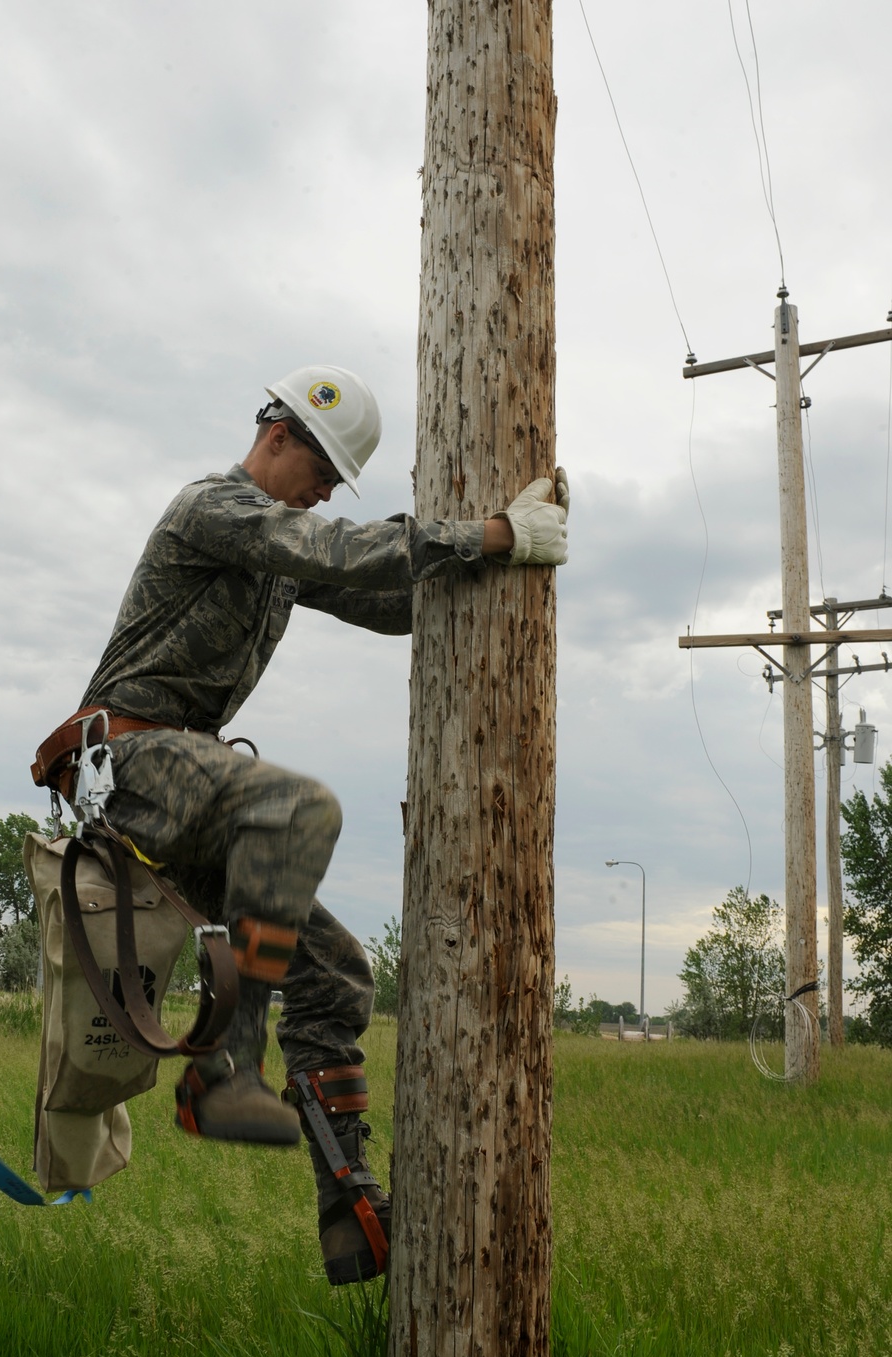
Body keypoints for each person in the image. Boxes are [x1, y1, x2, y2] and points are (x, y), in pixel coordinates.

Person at [69, 363, 567, 1284]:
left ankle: (350, 1204)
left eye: (339, 484)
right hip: (128, 763)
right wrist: (493, 531)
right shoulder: (211, 508)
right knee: (298, 807)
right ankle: (223, 1071)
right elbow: (341, 550)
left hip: (191, 786)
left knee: (337, 975)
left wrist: (499, 560)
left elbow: (385, 597)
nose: (327, 493)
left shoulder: (275, 560)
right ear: (277, 436)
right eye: (325, 473)